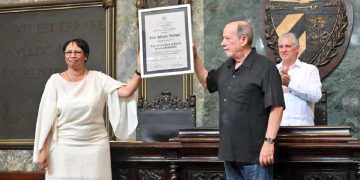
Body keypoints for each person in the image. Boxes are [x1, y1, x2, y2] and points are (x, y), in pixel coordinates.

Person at [33, 38, 141, 179]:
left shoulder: (99, 78)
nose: (72, 55)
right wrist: (42, 150)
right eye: (69, 52)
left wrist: (139, 71)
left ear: (86, 56)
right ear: (64, 56)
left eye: (77, 52)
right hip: (63, 147)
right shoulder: (54, 81)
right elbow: (47, 119)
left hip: (95, 146)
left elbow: (127, 91)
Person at [193, 21, 285, 180]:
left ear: (243, 40)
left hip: (255, 155)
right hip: (230, 154)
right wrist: (194, 57)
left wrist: (269, 143)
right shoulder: (227, 66)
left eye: (227, 38)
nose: (222, 43)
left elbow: (276, 107)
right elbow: (207, 81)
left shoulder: (266, 67)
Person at [277, 32, 322, 126]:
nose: (283, 50)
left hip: (302, 130)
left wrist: (290, 84)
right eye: (281, 47)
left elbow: (316, 96)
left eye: (287, 46)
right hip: (276, 129)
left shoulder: (310, 70)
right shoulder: (272, 70)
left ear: (297, 49)